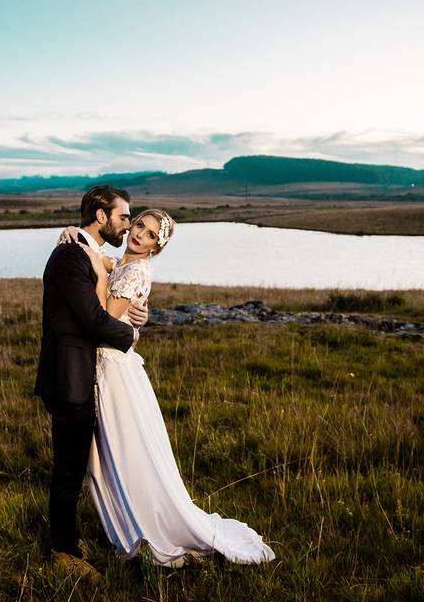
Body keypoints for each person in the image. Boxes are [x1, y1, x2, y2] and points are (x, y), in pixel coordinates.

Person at [60, 209, 276, 568]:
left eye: (148, 234)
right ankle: (123, 519)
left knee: (127, 449)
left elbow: (104, 319)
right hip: (104, 366)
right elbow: (98, 255)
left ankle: (146, 521)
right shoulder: (123, 265)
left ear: (155, 248)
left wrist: (98, 273)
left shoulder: (136, 271)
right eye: (138, 225)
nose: (139, 234)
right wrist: (76, 234)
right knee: (109, 451)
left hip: (114, 373)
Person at [34, 185, 150, 582]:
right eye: (123, 217)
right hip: (67, 377)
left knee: (74, 465)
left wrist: (136, 314)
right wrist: (129, 337)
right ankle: (63, 552)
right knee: (68, 469)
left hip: (80, 374)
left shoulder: (85, 249)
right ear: (101, 217)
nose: (127, 225)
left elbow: (111, 289)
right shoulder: (69, 254)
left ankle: (68, 540)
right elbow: (90, 318)